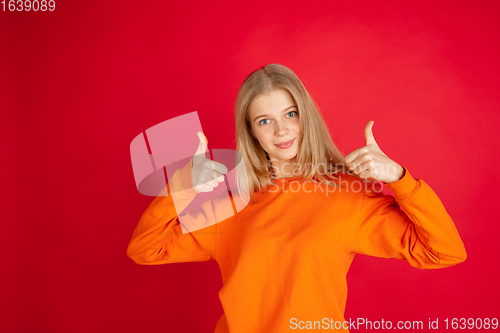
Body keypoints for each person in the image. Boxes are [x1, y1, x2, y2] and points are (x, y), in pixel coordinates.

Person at [127, 64, 467, 332]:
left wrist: (399, 179)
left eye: (291, 114)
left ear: (307, 115)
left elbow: (444, 251)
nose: (282, 130)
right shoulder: (231, 202)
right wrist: (184, 185)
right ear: (251, 132)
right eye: (265, 121)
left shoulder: (349, 196)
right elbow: (146, 249)